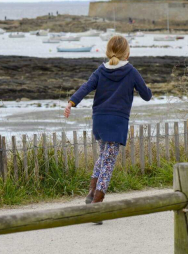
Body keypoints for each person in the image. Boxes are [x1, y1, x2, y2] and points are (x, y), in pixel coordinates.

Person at [64, 35, 152, 223]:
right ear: (127, 53)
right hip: (117, 121)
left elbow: (86, 87)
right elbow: (147, 96)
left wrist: (71, 102)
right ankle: (97, 203)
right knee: (108, 162)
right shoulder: (131, 71)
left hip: (100, 120)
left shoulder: (100, 70)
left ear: (108, 51)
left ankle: (91, 192)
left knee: (104, 156)